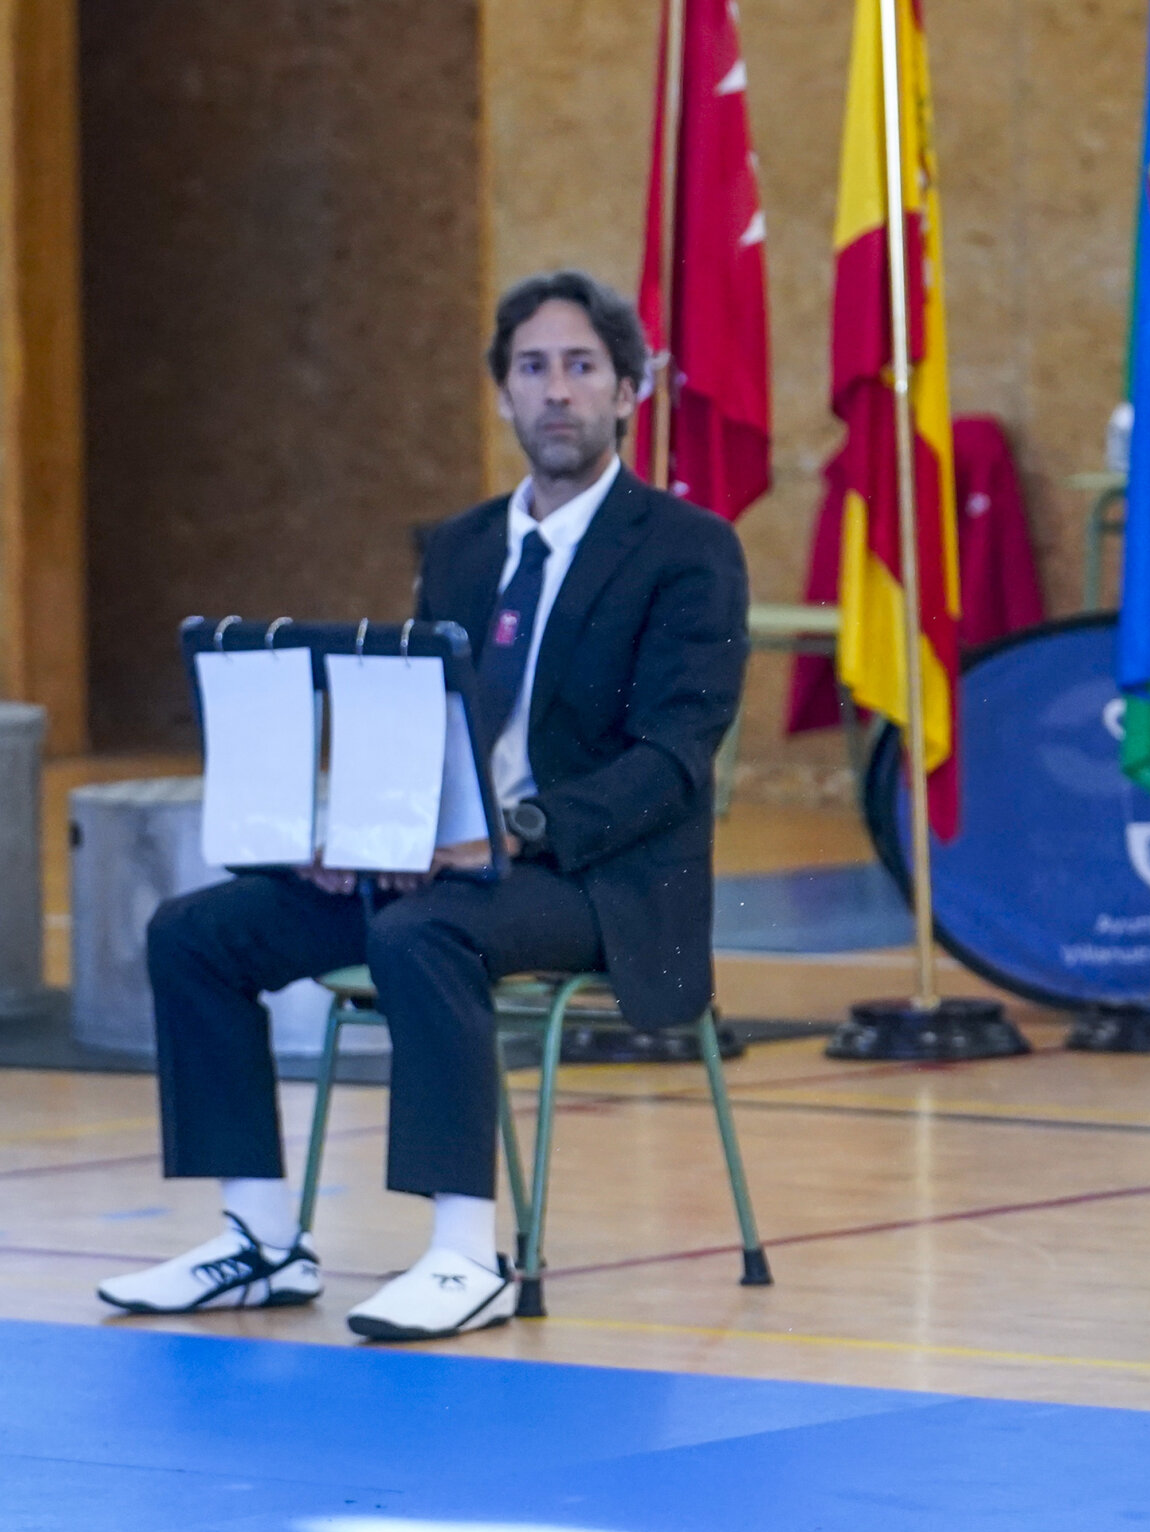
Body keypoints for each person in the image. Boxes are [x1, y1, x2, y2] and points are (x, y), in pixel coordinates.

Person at [99, 271, 750, 1341]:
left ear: (629, 390)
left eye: (580, 367)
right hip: (450, 861)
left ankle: (464, 1253)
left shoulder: (687, 550)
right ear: (501, 393)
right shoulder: (458, 549)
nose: (555, 392)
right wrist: (357, 830)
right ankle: (258, 1240)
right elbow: (414, 723)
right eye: (531, 368)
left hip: (599, 879)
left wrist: (512, 835)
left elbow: (675, 758)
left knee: (424, 930)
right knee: (196, 933)